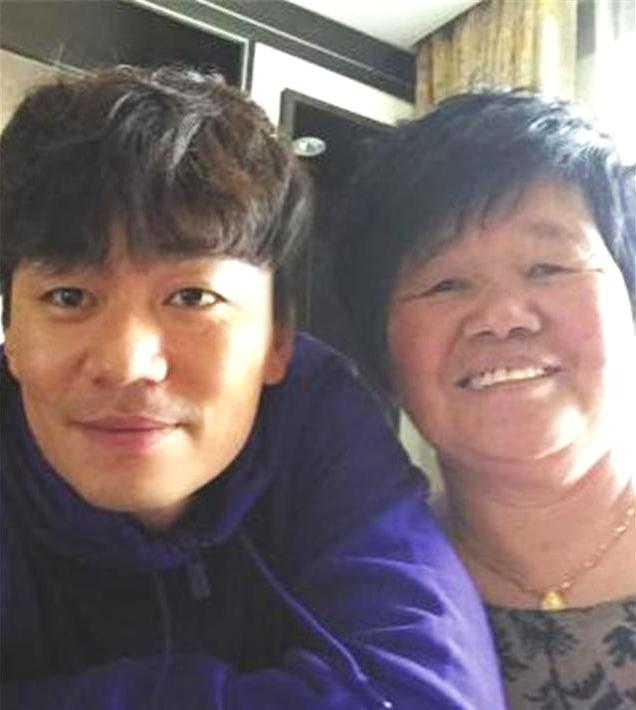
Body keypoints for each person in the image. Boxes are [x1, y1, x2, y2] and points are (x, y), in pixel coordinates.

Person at [0, 66, 505, 709]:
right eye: (68, 297)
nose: (126, 363)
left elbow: (433, 696)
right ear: (11, 335)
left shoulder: (315, 418)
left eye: (192, 297)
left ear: (277, 340)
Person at [336, 90, 636, 709]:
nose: (502, 317)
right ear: (383, 354)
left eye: (548, 267)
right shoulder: (356, 594)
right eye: (445, 283)